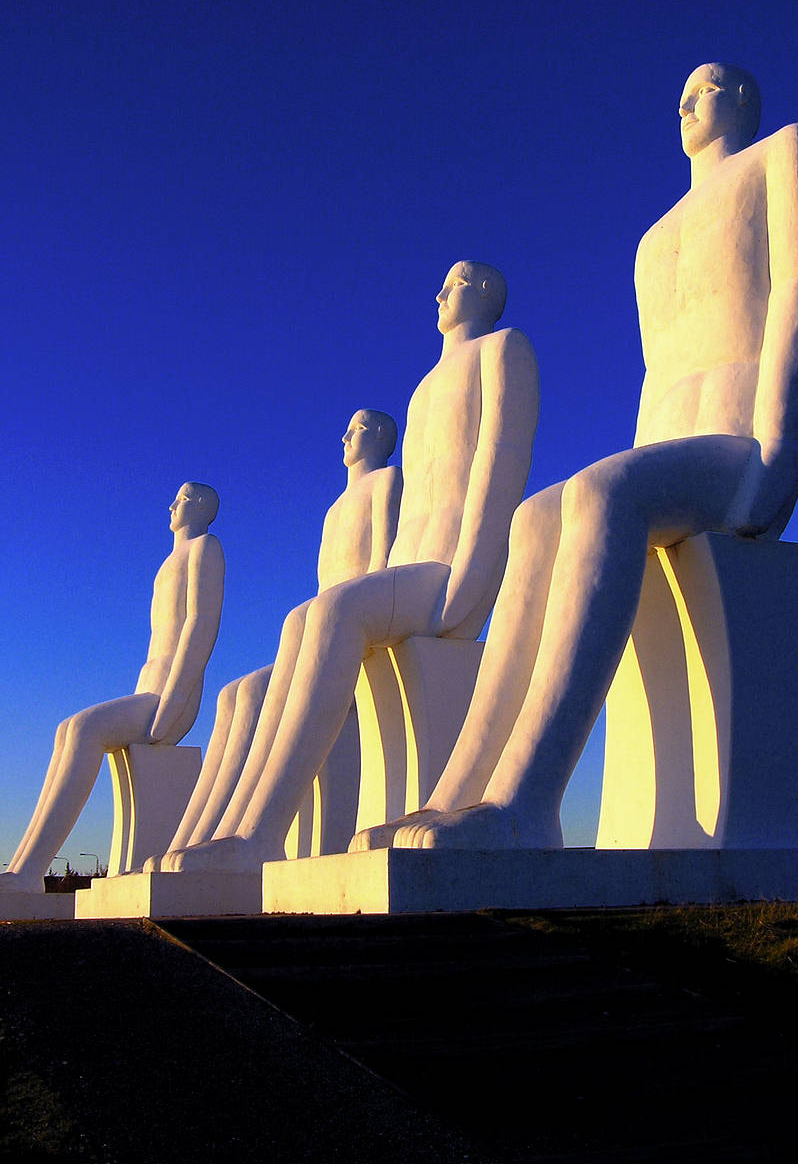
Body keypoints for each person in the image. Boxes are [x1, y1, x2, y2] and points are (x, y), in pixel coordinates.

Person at [352, 62, 798, 851]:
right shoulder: (652, 242)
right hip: (671, 447)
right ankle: (458, 791)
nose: (684, 103)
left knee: (601, 491)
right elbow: (658, 374)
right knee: (543, 515)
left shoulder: (785, 153)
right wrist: (633, 480)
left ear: (744, 100)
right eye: (679, 94)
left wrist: (784, 445)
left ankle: (528, 798)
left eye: (705, 88)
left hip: (739, 442)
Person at [165, 261, 539, 873]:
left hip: (449, 571)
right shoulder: (422, 393)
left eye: (455, 283)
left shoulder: (503, 350)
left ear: (486, 292)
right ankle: (241, 830)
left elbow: (501, 462)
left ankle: (261, 835)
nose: (439, 293)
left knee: (334, 609)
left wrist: (474, 575)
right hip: (410, 567)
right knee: (299, 622)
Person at [151, 411, 400, 865]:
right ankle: (213, 833)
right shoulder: (332, 511)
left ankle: (260, 832)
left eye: (357, 429)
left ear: (382, 437)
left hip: (357, 629)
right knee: (239, 694)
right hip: (329, 628)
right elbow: (326, 583)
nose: (344, 436)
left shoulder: (387, 483)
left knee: (308, 625)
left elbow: (382, 562)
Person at [0, 483, 224, 892]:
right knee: (66, 729)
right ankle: (23, 864)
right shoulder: (170, 562)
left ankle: (29, 870)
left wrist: (175, 700)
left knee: (85, 729)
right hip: (149, 688)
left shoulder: (205, 548)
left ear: (204, 507)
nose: (173, 504)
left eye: (184, 498)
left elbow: (201, 625)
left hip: (170, 697)